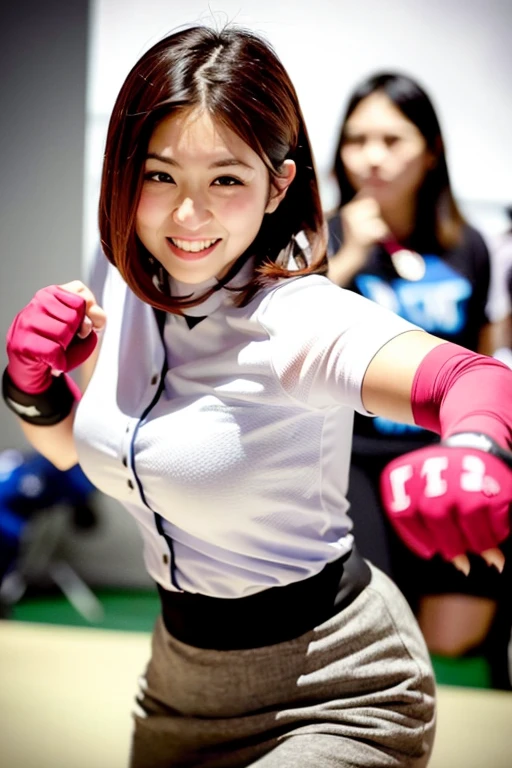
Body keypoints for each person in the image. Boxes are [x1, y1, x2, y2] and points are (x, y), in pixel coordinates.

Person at [2, 26, 512, 767]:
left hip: (338, 685)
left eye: (227, 179)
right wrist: (33, 389)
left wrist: (474, 446)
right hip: (179, 685)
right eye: (159, 175)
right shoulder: (124, 281)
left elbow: (475, 378)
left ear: (278, 184)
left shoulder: (296, 316)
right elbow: (90, 456)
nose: (187, 216)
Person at [326, 72, 512, 674]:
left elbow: (485, 358)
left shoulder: (471, 246)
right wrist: (347, 256)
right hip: (348, 458)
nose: (372, 157)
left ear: (430, 150)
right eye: (357, 140)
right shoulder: (318, 236)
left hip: (443, 458)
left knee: (454, 635)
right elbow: (281, 334)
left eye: (391, 139)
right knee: (371, 627)